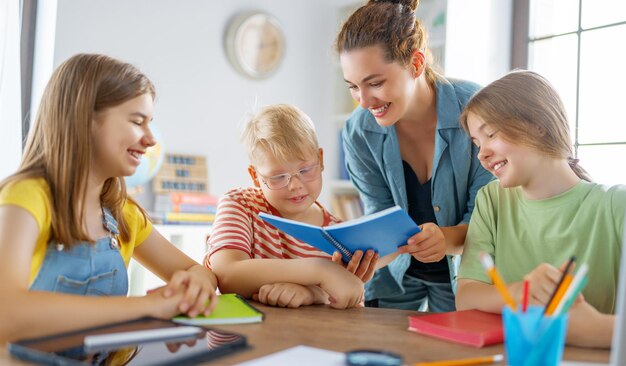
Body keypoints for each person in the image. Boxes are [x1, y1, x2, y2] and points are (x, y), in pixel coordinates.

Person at [0, 54, 218, 344]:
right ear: (85, 118)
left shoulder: (124, 214)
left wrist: (197, 285)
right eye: (137, 121)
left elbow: (196, 270)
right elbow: (7, 314)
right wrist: (150, 307)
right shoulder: (26, 198)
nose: (151, 139)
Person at [334, 0, 493, 311]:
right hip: (395, 276)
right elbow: (379, 216)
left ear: (416, 64)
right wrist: (354, 255)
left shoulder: (476, 110)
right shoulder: (358, 132)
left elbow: (487, 218)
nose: (363, 101)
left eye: (375, 83)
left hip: (465, 276)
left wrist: (446, 239)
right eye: (353, 86)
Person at [456, 70, 625, 348]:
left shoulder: (615, 206)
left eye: (491, 134)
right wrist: (524, 292)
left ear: (538, 125)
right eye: (477, 143)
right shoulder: (491, 201)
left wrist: (594, 329)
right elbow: (466, 297)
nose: (481, 153)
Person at [205, 104, 384, 309]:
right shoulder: (240, 204)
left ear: (321, 159)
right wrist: (320, 270)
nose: (295, 185)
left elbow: (349, 297)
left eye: (306, 170)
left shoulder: (338, 235)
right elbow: (227, 275)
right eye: (278, 177)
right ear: (255, 176)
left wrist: (313, 293)